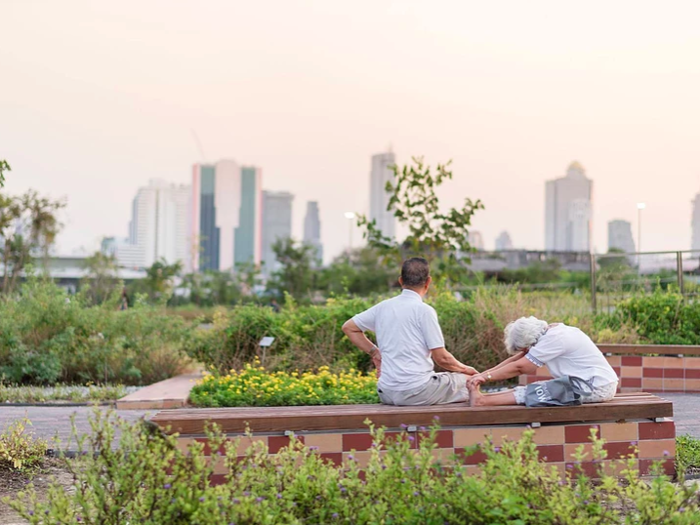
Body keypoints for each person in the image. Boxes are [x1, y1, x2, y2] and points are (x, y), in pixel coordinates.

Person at [342, 257, 478, 406]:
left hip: (386, 393)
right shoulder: (424, 311)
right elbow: (442, 359)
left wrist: (375, 352)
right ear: (428, 282)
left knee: (442, 381)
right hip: (417, 392)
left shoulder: (383, 307)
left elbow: (349, 327)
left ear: (401, 281)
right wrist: (467, 369)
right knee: (470, 381)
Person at [467, 316, 619, 407]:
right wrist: (483, 375)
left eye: (524, 348)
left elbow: (521, 367)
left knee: (538, 391)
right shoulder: (550, 332)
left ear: (529, 341)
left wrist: (485, 378)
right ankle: (483, 399)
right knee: (537, 389)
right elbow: (517, 359)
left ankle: (482, 401)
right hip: (595, 383)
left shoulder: (555, 339)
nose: (524, 352)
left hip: (597, 387)